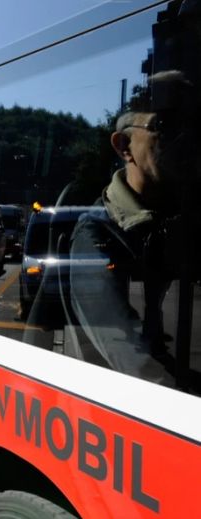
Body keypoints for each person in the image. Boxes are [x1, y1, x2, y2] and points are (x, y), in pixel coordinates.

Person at [68, 69, 199, 385]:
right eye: (165, 126)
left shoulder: (184, 214)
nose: (185, 138)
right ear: (124, 145)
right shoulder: (97, 233)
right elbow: (123, 348)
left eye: (193, 123)